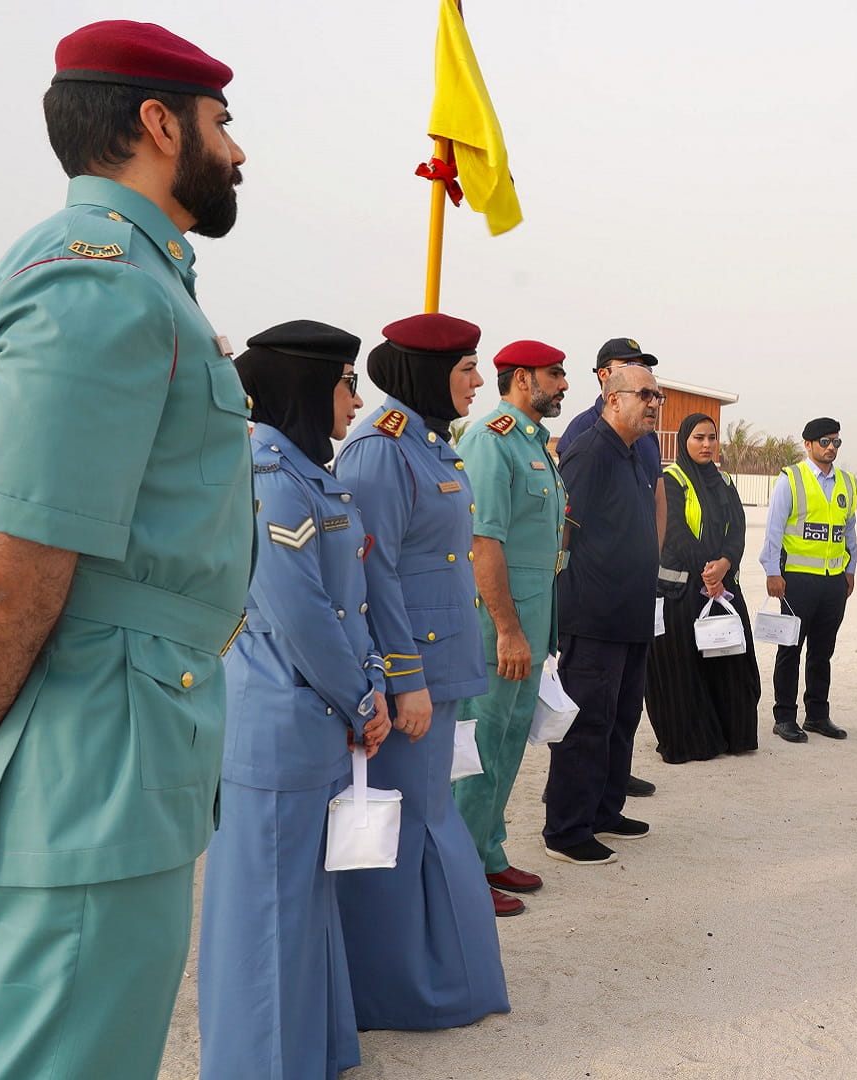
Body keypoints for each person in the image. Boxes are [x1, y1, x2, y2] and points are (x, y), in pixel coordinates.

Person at [0, 22, 250, 1078]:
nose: (237, 152)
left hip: (110, 732)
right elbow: (9, 561)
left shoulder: (134, 276)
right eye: (222, 123)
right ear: (157, 122)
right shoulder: (99, 284)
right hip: (98, 751)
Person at [200, 321, 390, 1078]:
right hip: (278, 725)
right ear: (307, 388)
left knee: (301, 908)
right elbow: (301, 616)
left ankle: (311, 1052)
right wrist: (361, 699)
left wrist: (367, 684)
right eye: (347, 383)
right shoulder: (269, 478)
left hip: (312, 721)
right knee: (266, 917)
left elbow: (349, 604)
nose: (355, 399)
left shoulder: (311, 473)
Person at [334, 313, 508, 1030]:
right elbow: (368, 576)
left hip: (442, 671)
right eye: (467, 367)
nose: (478, 381)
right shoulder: (380, 451)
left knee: (427, 827)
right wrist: (405, 680)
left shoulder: (435, 447)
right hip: (411, 684)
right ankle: (393, 989)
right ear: (424, 372)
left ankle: (430, 976)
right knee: (400, 838)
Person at [452, 340, 570, 918]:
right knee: (481, 745)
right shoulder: (490, 440)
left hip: (530, 622)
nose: (564, 385)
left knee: (508, 741)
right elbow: (483, 542)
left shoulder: (532, 445)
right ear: (522, 378)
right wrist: (506, 629)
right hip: (497, 626)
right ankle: (462, 871)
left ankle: (488, 849)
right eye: (554, 375)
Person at [545, 364, 663, 864]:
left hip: (631, 612)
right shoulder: (590, 451)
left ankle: (604, 810)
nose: (655, 403)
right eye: (646, 394)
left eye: (658, 395)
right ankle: (567, 829)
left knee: (621, 718)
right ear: (613, 399)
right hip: (593, 616)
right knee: (586, 723)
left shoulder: (634, 454)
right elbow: (562, 531)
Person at [644, 413, 762, 761]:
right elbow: (674, 534)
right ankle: (694, 742)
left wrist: (725, 564)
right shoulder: (672, 478)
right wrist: (707, 572)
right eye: (699, 438)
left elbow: (737, 529)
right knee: (683, 671)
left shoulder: (724, 480)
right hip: (683, 592)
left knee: (734, 665)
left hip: (722, 587)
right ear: (685, 441)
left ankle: (732, 736)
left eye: (712, 437)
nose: (707, 444)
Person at [761, 418, 857, 742]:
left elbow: (849, 530)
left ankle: (817, 715)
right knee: (790, 648)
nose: (831, 447)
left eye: (836, 442)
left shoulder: (846, 481)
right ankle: (784, 717)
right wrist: (773, 571)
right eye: (824, 441)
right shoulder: (791, 479)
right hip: (797, 581)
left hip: (833, 582)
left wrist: (851, 568)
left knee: (822, 651)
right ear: (808, 444)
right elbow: (774, 530)